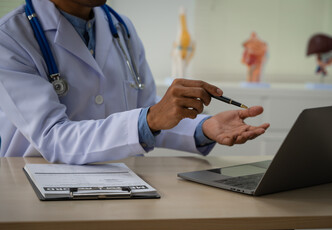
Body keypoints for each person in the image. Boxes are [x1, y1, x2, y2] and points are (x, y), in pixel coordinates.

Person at [0, 0, 270, 165]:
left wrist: (204, 127)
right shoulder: (10, 37)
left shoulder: (120, 27)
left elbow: (149, 115)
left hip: (121, 183)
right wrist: (151, 118)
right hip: (37, 187)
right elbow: (53, 137)